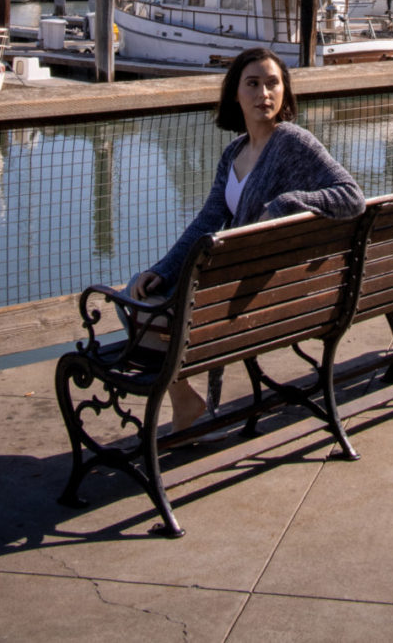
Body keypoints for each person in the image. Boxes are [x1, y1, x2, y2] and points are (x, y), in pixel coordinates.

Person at [128, 45, 365, 429]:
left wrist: (290, 202)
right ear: (235, 94)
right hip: (233, 283)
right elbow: (208, 220)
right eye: (252, 84)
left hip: (259, 292)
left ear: (285, 91)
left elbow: (352, 197)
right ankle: (184, 397)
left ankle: (183, 401)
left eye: (272, 83)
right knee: (138, 291)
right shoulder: (234, 152)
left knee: (150, 313)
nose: (264, 94)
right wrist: (164, 269)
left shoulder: (293, 142)